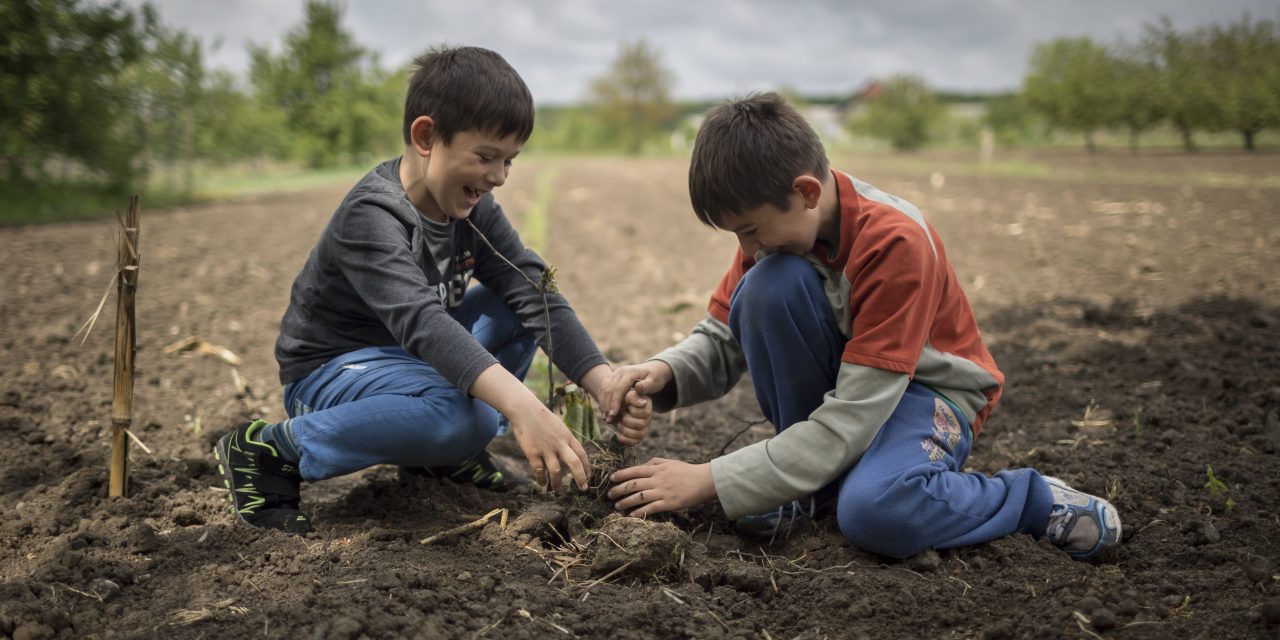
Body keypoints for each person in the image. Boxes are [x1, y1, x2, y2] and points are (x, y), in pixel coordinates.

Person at [599, 92, 1121, 560]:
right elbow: (721, 337)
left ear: (806, 192)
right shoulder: (775, 240)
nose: (746, 249)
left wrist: (709, 479)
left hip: (924, 393)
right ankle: (812, 488)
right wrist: (661, 372)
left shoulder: (894, 243)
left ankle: (1031, 501)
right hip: (852, 396)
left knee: (876, 512)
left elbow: (852, 417)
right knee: (766, 287)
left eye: (751, 230)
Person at [213, 46, 650, 534]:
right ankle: (271, 450)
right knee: (471, 418)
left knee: (517, 305)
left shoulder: (473, 210)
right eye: (485, 157)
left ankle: (443, 455)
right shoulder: (373, 215)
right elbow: (424, 323)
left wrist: (603, 383)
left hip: (408, 365)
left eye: (509, 160)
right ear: (426, 137)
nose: (499, 177)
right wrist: (524, 407)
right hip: (330, 375)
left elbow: (533, 291)